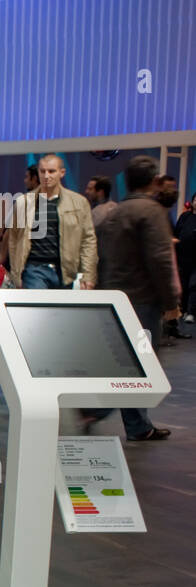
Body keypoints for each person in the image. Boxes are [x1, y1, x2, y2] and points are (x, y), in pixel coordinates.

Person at [81, 156, 179, 441]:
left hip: (115, 297)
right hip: (143, 300)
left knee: (124, 360)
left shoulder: (115, 212)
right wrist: (171, 301)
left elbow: (102, 257)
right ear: (152, 181)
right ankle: (95, 410)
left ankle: (136, 424)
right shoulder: (151, 212)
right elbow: (161, 260)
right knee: (139, 364)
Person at [3, 154, 96, 290]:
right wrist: (16, 273)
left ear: (62, 173)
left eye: (51, 171)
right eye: (42, 171)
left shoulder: (79, 203)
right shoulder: (24, 202)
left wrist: (88, 274)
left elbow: (88, 240)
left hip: (65, 270)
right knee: (37, 310)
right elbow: (14, 239)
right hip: (34, 269)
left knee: (62, 311)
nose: (46, 176)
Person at [176, 190, 196, 323]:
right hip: (182, 257)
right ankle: (181, 310)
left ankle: (191, 312)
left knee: (194, 285)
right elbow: (177, 232)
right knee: (182, 285)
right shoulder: (185, 216)